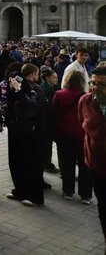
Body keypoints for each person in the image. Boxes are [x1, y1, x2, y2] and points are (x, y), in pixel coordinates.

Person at [5, 64, 46, 206]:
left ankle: (34, 196)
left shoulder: (33, 88)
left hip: (31, 131)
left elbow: (31, 105)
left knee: (30, 164)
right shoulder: (26, 85)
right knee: (20, 162)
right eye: (37, 73)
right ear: (33, 73)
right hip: (21, 129)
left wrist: (18, 90)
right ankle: (21, 191)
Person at [54, 68, 92, 203]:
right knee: (85, 165)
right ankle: (86, 195)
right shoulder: (86, 96)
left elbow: (55, 114)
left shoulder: (59, 94)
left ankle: (68, 191)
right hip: (82, 134)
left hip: (65, 134)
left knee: (67, 163)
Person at [79, 67, 106, 246]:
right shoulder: (85, 100)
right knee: (103, 208)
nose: (95, 87)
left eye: (101, 84)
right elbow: (81, 122)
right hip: (97, 163)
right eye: (93, 82)